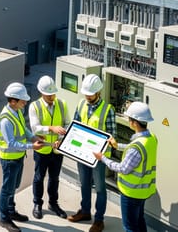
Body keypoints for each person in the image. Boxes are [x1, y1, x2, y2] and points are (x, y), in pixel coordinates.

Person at [93, 101, 157, 232]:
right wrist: (116, 145)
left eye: (129, 119)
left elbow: (122, 168)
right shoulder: (151, 138)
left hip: (131, 192)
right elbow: (134, 150)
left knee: (130, 227)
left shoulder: (137, 147)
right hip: (143, 191)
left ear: (134, 122)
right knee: (139, 220)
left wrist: (103, 158)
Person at [0, 82, 46, 232]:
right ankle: (4, 219)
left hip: (18, 157)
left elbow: (23, 129)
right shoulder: (5, 120)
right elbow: (11, 143)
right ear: (12, 101)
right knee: (7, 189)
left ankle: (11, 210)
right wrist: (32, 146)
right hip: (9, 159)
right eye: (22, 100)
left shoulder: (15, 112)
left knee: (13, 187)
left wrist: (33, 138)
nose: (25, 103)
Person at [69, 74, 115, 232]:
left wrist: (102, 156)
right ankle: (85, 211)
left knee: (100, 188)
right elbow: (74, 127)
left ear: (98, 92)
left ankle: (99, 220)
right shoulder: (81, 104)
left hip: (98, 158)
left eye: (90, 94)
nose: (87, 96)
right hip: (82, 155)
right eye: (86, 94)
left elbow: (111, 136)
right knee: (84, 184)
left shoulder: (108, 110)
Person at [28, 75, 69, 219]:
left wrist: (61, 139)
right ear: (41, 92)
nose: (52, 96)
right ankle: (37, 204)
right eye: (48, 94)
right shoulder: (34, 106)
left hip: (57, 149)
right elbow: (35, 128)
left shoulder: (62, 104)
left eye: (53, 93)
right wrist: (51, 128)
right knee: (39, 177)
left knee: (54, 178)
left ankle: (53, 203)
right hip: (42, 149)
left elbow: (66, 125)